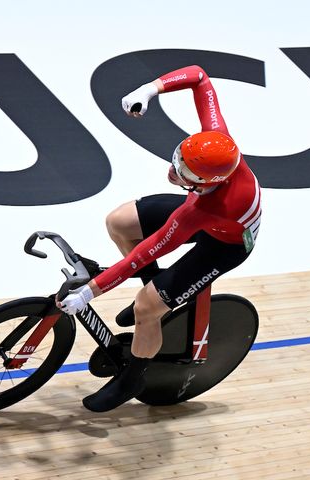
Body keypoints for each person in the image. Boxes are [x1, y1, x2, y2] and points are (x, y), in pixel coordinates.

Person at [58, 65, 262, 412]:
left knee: (145, 307)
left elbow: (142, 254)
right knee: (120, 221)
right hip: (214, 209)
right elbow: (199, 77)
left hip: (225, 243)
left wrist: (89, 293)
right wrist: (150, 89)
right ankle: (159, 294)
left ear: (204, 184)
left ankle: (133, 376)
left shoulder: (199, 211)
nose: (172, 171)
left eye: (182, 174)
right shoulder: (219, 142)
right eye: (177, 160)